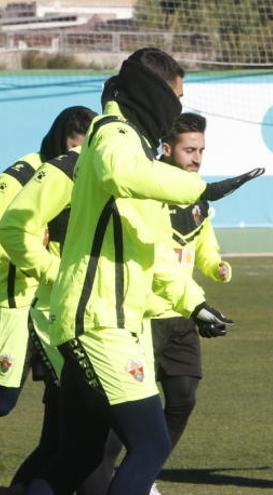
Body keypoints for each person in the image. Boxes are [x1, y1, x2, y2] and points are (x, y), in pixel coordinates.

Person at [25, 47, 260, 495]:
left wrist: (195, 304)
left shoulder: (139, 152)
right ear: (153, 96)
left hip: (106, 321)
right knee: (150, 445)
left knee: (78, 454)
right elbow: (119, 170)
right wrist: (200, 188)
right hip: (99, 323)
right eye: (176, 96)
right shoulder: (113, 134)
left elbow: (151, 246)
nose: (177, 109)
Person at [0, 106, 95, 418]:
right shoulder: (20, 177)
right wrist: (31, 246)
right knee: (5, 399)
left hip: (48, 307)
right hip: (10, 305)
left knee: (66, 396)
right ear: (59, 140)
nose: (76, 158)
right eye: (72, 148)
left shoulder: (82, 177)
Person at [150, 111, 232, 456]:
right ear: (167, 148)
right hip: (145, 314)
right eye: (189, 150)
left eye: (201, 151)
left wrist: (216, 266)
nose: (197, 158)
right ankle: (111, 476)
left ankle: (142, 474)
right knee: (132, 411)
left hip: (184, 313)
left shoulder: (199, 196)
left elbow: (204, 246)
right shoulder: (147, 190)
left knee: (183, 398)